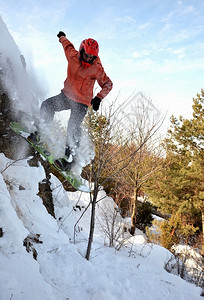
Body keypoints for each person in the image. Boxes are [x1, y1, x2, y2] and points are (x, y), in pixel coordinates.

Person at [39, 31, 113, 170]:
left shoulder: (96, 68)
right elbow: (67, 46)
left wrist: (98, 97)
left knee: (73, 127)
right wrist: (62, 37)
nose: (87, 59)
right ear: (81, 51)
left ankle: (69, 159)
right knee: (47, 105)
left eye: (91, 57)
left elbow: (108, 84)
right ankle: (41, 133)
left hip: (82, 102)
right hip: (67, 96)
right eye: (86, 55)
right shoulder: (73, 56)